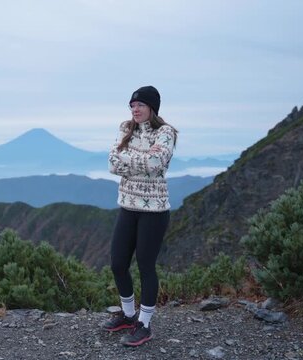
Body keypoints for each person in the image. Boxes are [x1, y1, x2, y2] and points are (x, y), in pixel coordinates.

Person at [103, 85, 177, 347]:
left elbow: (157, 164)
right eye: (132, 105)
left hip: (154, 211)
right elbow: (113, 163)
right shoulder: (126, 129)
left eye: (140, 105)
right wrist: (143, 160)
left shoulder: (166, 132)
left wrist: (129, 160)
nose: (135, 109)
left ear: (152, 108)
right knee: (118, 264)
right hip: (127, 206)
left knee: (146, 266)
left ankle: (144, 325)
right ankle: (128, 314)